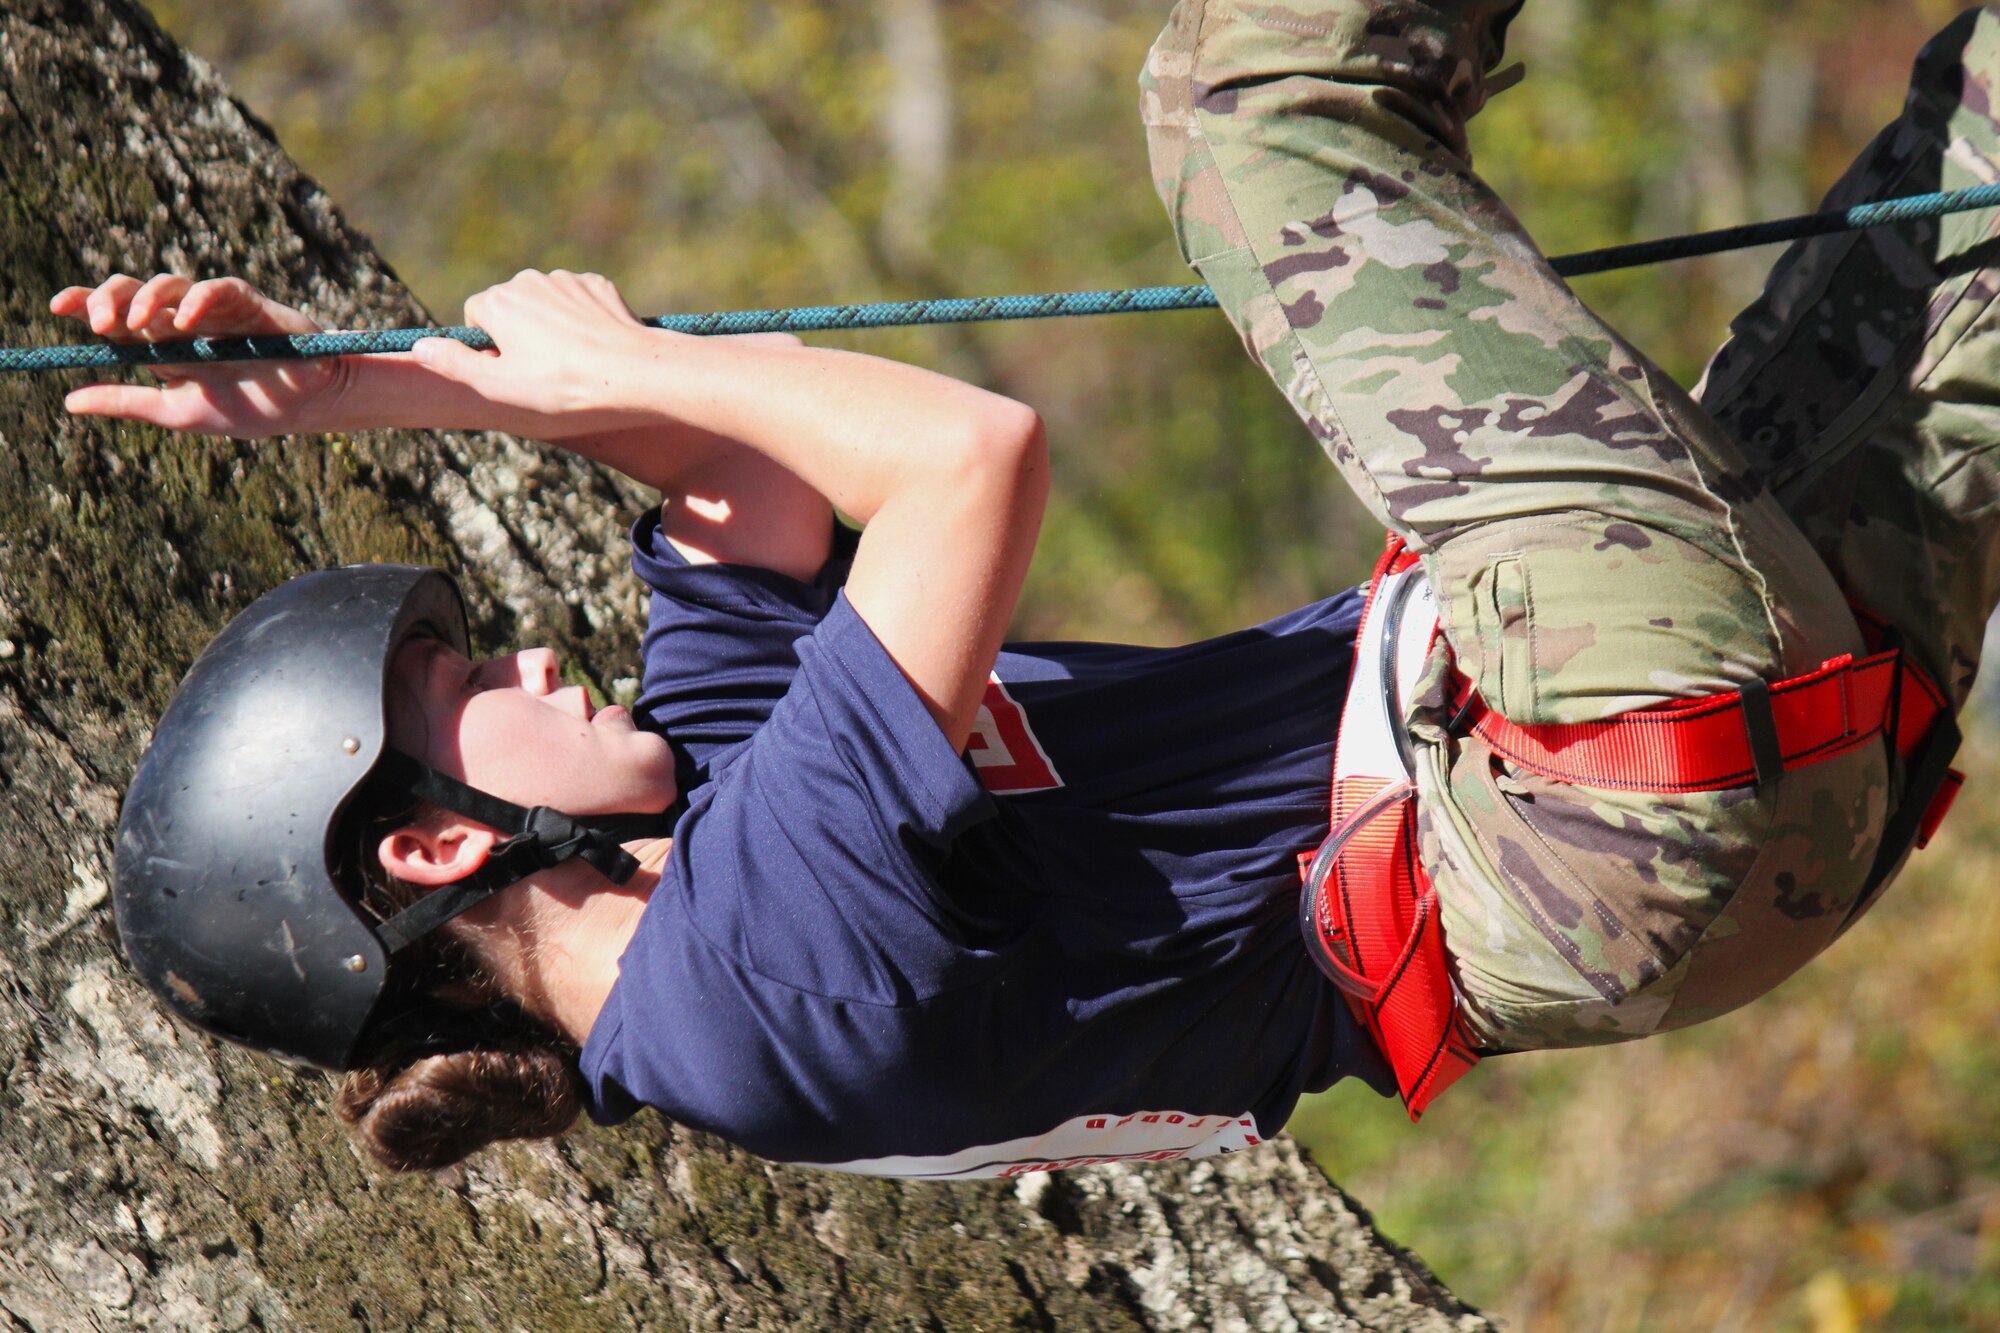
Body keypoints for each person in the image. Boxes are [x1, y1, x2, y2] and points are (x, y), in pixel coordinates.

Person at [70, 1, 1997, 1177]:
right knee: (1254, 110)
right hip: (1588, 780)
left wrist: (354, 381)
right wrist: (614, 367)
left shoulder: (720, 828)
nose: (528, 641)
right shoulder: (753, 989)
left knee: (1974, 154)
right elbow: (964, 459)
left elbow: (741, 486)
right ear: (428, 848)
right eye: (457, 668)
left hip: (1690, 784)